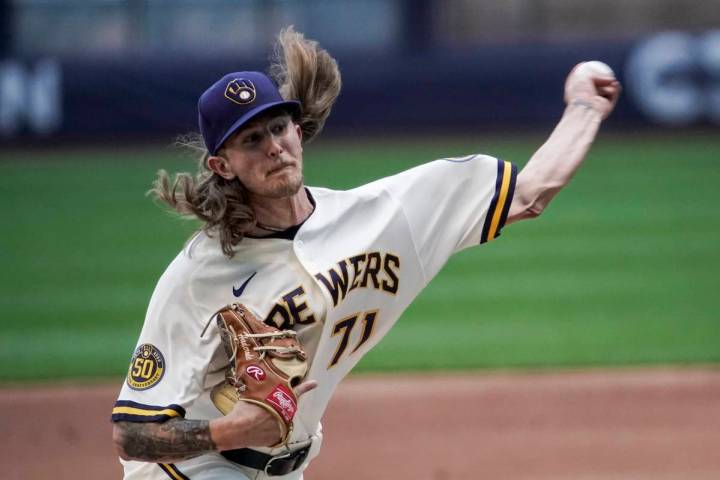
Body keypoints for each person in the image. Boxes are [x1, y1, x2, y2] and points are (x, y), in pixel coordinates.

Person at [111, 27, 621, 480]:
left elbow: (528, 194)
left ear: (297, 129)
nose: (273, 146)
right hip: (190, 470)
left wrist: (585, 108)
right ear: (223, 166)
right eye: (251, 139)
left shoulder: (383, 216)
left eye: (279, 127)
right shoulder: (200, 273)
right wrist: (231, 430)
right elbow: (132, 435)